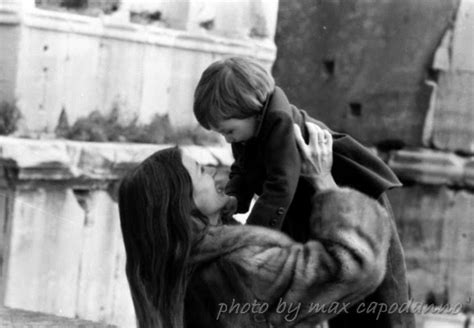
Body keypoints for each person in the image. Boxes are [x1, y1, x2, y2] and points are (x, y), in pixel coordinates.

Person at [193, 57, 415, 327]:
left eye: (229, 131)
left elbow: (280, 187)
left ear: (252, 108)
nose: (227, 140)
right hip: (303, 208)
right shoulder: (247, 131)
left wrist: (251, 237)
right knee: (326, 294)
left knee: (382, 300)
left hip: (350, 203)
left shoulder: (280, 124)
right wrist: (233, 199)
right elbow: (243, 170)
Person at [118, 122, 392, 328]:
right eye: (201, 171)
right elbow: (353, 264)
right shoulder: (237, 264)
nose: (212, 170)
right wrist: (324, 182)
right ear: (183, 204)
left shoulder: (175, 265)